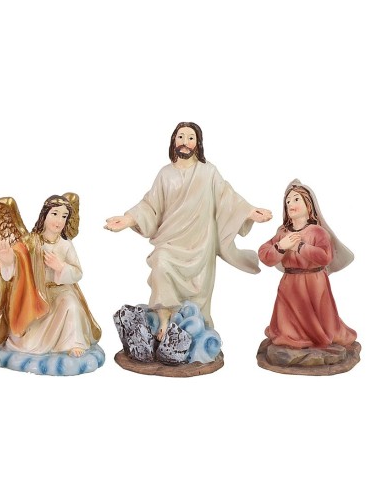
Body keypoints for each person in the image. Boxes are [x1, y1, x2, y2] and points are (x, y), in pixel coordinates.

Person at [105, 122, 272, 339]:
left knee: (198, 289)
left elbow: (227, 197)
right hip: (170, 241)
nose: (185, 142)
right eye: (181, 137)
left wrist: (249, 211)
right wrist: (128, 219)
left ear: (198, 143)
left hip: (200, 244)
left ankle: (193, 331)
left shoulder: (208, 172)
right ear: (173, 140)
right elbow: (151, 205)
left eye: (190, 138)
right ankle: (164, 320)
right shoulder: (165, 174)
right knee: (160, 263)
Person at [0, 195, 101, 356]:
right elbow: (18, 264)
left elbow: (78, 273)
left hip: (61, 290)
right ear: (44, 215)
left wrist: (61, 267)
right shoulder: (31, 242)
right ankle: (29, 342)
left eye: (64, 216)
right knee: (28, 340)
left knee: (72, 304)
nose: (59, 220)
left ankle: (74, 343)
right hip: (35, 294)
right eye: (55, 214)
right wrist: (7, 261)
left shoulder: (65, 245)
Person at [258, 181, 356, 348]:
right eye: (288, 201)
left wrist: (300, 247)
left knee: (317, 318)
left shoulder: (318, 232)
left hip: (314, 282)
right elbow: (264, 254)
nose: (291, 204)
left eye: (296, 199)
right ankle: (291, 337)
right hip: (289, 283)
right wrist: (281, 246)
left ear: (308, 205)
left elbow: (325, 257)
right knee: (287, 321)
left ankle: (317, 337)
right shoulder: (283, 233)